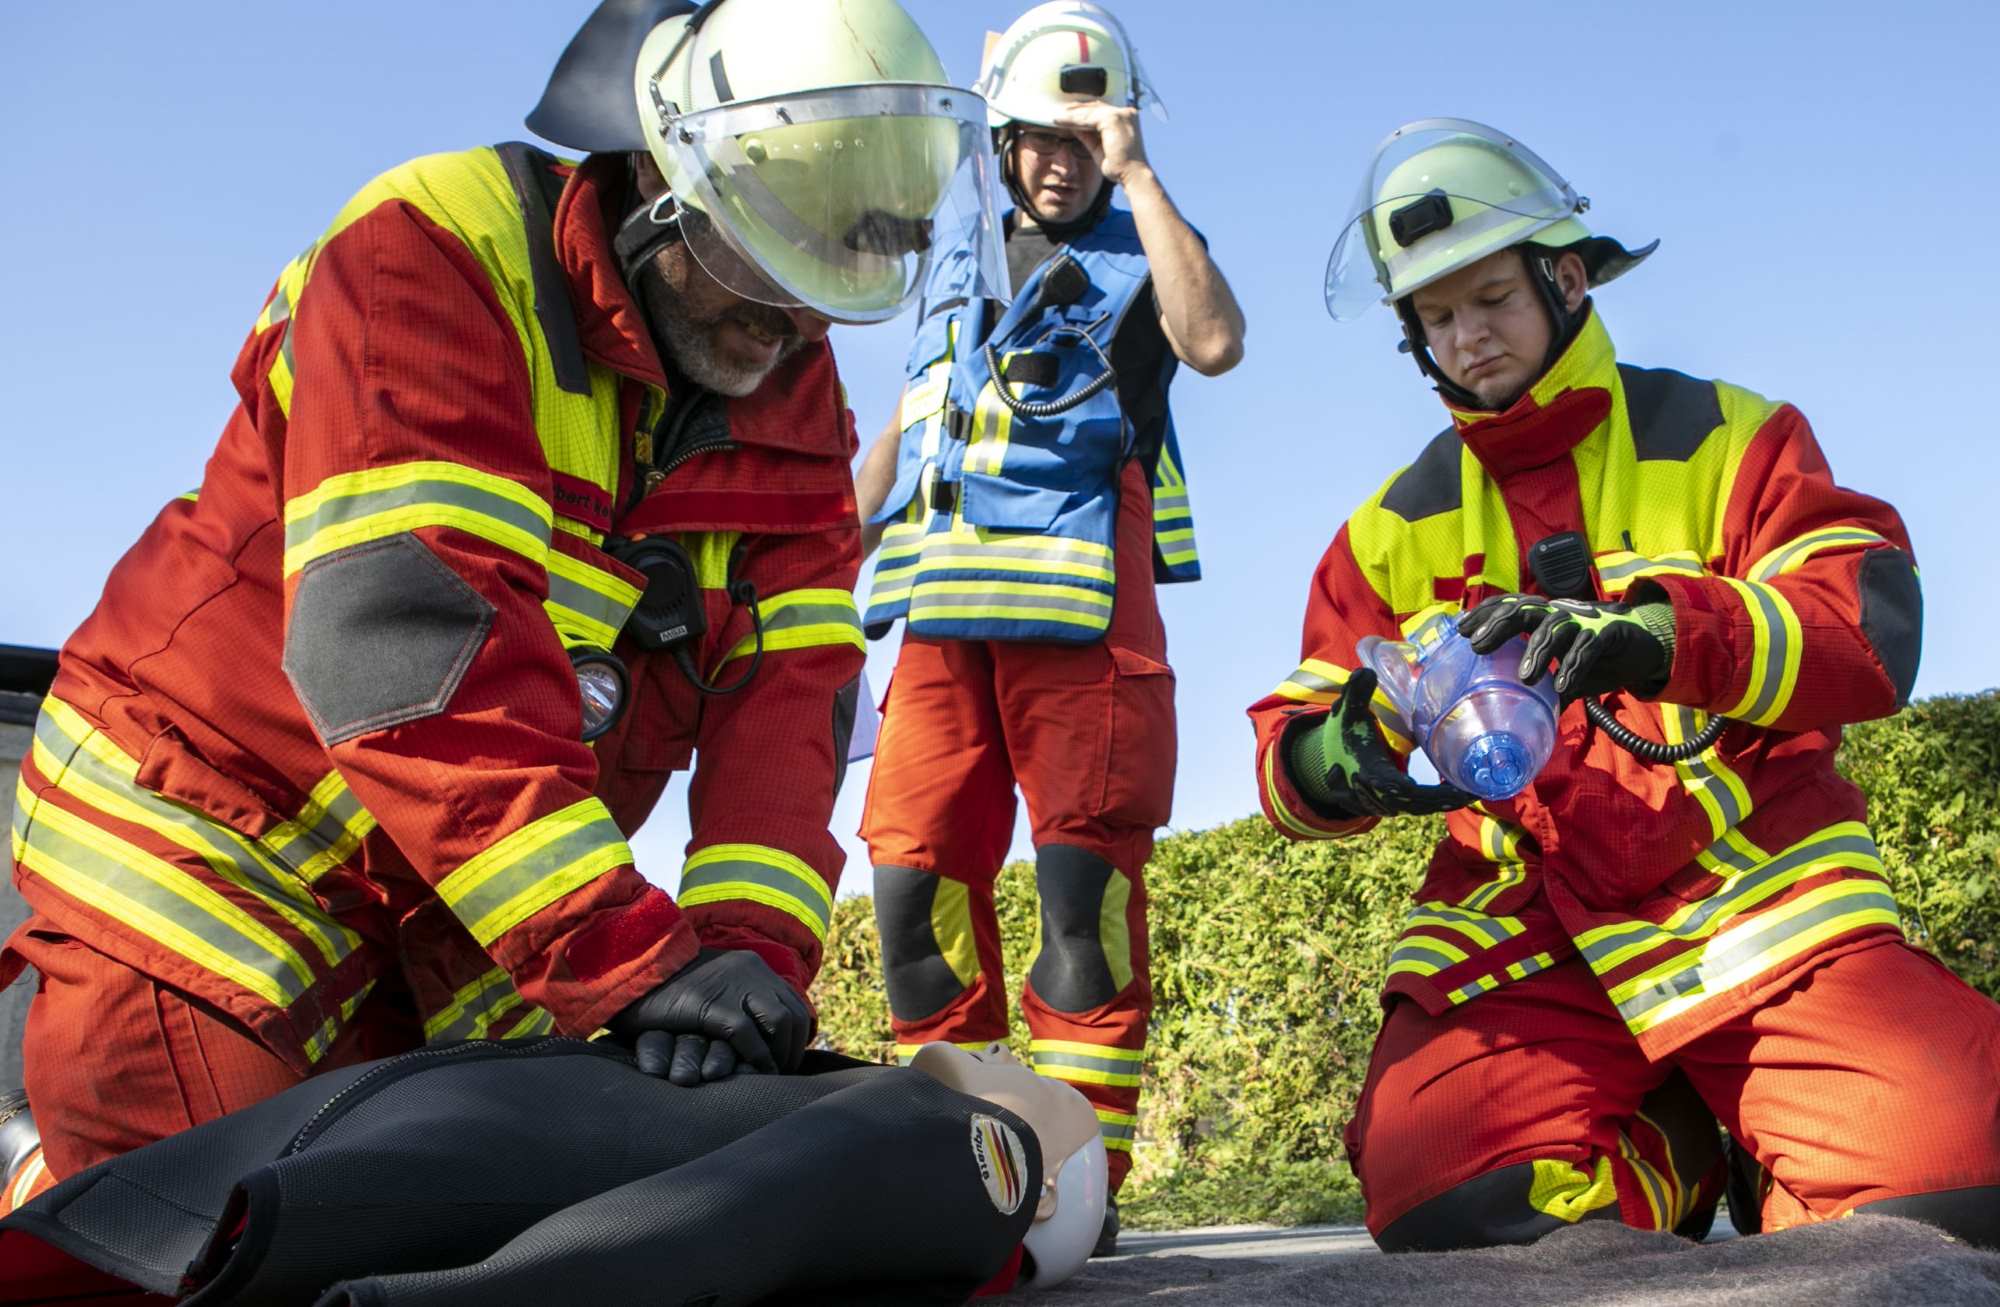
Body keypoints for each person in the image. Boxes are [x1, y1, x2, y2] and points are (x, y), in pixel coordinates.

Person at [0, 0, 1014, 1209]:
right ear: (655, 170)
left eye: (832, 280)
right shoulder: (433, 254)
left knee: (456, 1233)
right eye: (761, 257)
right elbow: (411, 650)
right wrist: (628, 957)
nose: (791, 321)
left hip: (454, 914)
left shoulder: (792, 392)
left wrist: (746, 952)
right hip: (214, 861)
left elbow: (791, 704)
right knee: (219, 1234)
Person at [1248, 118, 1999, 1252]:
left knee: (1960, 1177)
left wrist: (1658, 634)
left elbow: (1869, 628)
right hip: (1521, 929)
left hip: (1749, 907)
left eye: (1488, 296)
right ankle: (1681, 1144)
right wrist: (1344, 751)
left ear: (1562, 277)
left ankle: (1777, 1154)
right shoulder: (1384, 529)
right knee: (1445, 1209)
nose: (1466, 335)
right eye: (1436, 317)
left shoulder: (1727, 435)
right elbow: (1287, 748)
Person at [851, 0, 1244, 1252]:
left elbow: (1217, 342)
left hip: (1083, 611)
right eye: (1039, 133)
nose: (1059, 157)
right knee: (909, 887)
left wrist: (1139, 171)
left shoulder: (1145, 248)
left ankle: (1078, 1188)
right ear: (1001, 138)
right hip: (940, 613)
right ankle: (959, 1170)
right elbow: (912, 426)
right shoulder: (953, 258)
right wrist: (815, 547)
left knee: (1082, 897)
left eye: (1086, 134)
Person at [0, 1039, 1108, 1303]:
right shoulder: (959, 1149)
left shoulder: (892, 1111)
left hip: (199, 1199)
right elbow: (714, 1224)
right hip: (319, 1183)